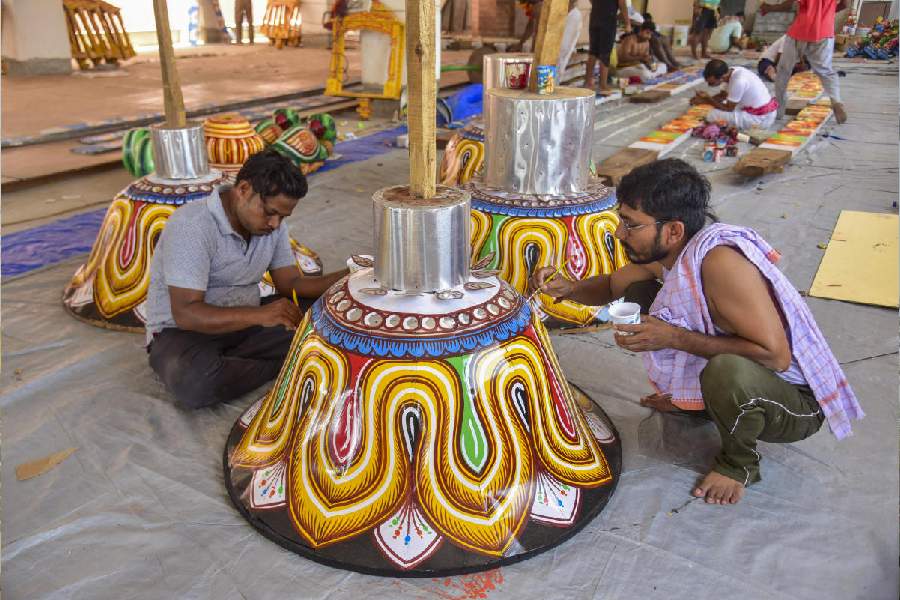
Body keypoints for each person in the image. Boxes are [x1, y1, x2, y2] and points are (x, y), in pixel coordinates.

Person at [531, 158, 863, 505]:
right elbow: (615, 285)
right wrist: (568, 289)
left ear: (673, 230)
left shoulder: (719, 263)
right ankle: (695, 401)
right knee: (640, 293)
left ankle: (740, 464)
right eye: (621, 220)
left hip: (794, 403)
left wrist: (671, 337)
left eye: (631, 224)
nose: (619, 233)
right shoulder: (671, 252)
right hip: (757, 377)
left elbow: (775, 356)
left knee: (727, 371)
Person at [145, 150, 348, 409]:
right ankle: (286, 359)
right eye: (270, 212)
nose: (275, 224)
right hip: (183, 333)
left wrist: (348, 275)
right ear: (243, 189)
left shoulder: (272, 225)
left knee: (326, 319)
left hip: (245, 322)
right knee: (194, 382)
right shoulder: (192, 226)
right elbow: (187, 313)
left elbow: (291, 285)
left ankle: (242, 361)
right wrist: (261, 316)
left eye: (283, 217)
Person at [761, 0, 848, 123]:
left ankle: (779, 110)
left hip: (800, 30)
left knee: (783, 71)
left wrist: (770, 8)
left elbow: (790, 4)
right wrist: (826, 12)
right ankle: (836, 101)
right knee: (825, 71)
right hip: (825, 31)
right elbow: (845, 4)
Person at [691, 59, 777, 130]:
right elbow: (722, 96)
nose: (709, 84)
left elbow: (728, 108)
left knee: (710, 114)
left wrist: (708, 99)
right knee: (721, 103)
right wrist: (703, 100)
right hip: (760, 110)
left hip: (760, 119)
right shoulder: (730, 71)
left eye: (712, 82)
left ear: (722, 78)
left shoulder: (738, 81)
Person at [586, 0, 630, 91]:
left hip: (595, 16)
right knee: (605, 53)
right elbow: (622, 4)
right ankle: (603, 85)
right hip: (608, 19)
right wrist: (627, 23)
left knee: (593, 52)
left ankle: (588, 83)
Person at [558, 0, 583, 78]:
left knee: (551, 85)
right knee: (545, 87)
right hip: (550, 56)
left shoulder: (576, 15)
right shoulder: (556, 11)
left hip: (562, 57)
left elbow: (571, 41)